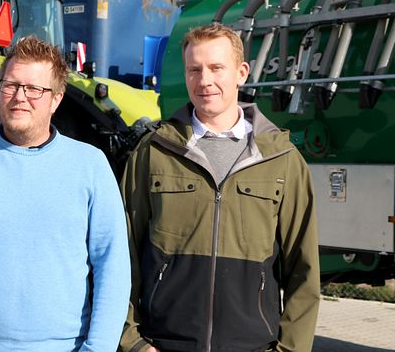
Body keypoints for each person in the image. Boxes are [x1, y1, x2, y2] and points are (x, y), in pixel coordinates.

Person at [0, 35, 131, 352]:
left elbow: (112, 267)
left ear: (56, 99)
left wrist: (97, 348)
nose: (20, 97)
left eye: (34, 89)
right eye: (11, 85)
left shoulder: (90, 166)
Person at [120, 24, 320, 352]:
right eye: (194, 70)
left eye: (216, 68)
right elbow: (121, 255)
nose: (205, 81)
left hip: (254, 345)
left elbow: (304, 270)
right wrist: (132, 343)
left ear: (241, 73)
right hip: (164, 344)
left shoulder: (282, 159)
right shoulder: (152, 152)